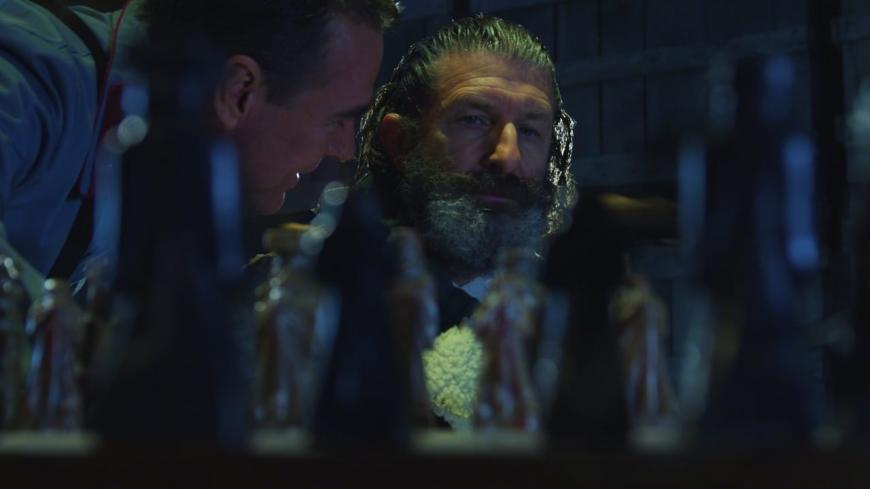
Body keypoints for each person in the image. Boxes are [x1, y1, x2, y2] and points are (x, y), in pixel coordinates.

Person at [354, 15, 675, 425]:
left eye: (528, 130)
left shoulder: (569, 318)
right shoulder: (332, 302)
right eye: (474, 120)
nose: (506, 157)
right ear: (400, 142)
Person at [0, 0, 398, 298]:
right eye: (337, 119)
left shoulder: (181, 180)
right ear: (239, 92)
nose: (346, 149)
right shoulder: (24, 81)